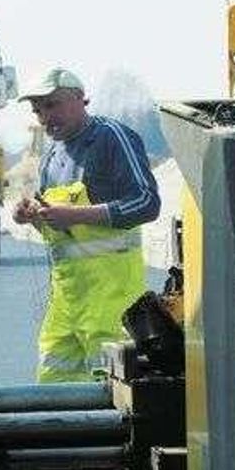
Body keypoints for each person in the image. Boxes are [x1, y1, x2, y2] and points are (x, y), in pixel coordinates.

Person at [12, 68, 160, 383]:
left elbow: (147, 202)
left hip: (112, 304)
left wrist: (75, 214)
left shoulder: (111, 138)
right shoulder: (51, 155)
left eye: (52, 105)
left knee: (114, 400)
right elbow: (62, 235)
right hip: (66, 305)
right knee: (52, 391)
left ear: (81, 99)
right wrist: (33, 216)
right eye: (38, 110)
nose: (44, 117)